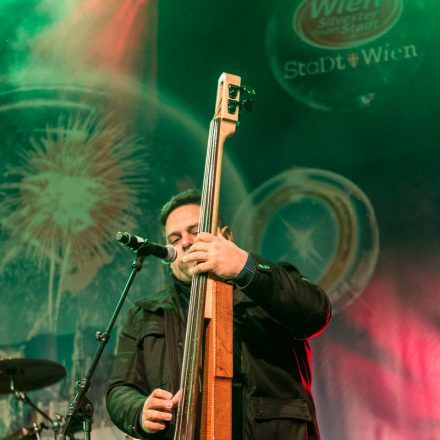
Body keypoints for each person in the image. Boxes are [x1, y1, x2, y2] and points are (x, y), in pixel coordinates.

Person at [106, 189, 331, 440]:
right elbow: (120, 389)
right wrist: (140, 411)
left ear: (225, 236)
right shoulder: (145, 313)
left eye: (195, 231)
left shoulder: (266, 284)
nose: (187, 242)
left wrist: (244, 267)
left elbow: (316, 313)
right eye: (175, 238)